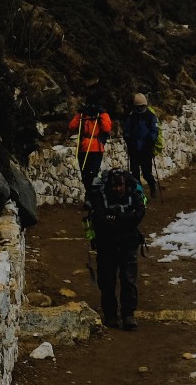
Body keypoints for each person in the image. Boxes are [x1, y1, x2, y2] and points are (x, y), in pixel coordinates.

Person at [84, 166, 145, 330]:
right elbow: (100, 219)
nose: (117, 189)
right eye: (114, 186)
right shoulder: (101, 197)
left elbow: (139, 213)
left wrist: (115, 219)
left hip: (127, 243)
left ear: (125, 185)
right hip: (107, 244)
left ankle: (128, 315)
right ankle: (110, 315)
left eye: (120, 186)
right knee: (107, 281)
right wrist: (124, 219)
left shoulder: (134, 195)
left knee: (128, 279)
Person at [122, 92, 162, 199]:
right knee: (135, 174)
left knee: (146, 173)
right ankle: (138, 193)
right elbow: (126, 129)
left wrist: (151, 139)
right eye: (138, 107)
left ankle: (152, 186)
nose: (140, 109)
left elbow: (154, 130)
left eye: (142, 106)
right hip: (134, 148)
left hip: (146, 149)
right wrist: (127, 137)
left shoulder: (150, 116)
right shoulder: (131, 117)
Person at [68, 100, 114, 188]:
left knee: (93, 174)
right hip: (84, 148)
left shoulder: (102, 115)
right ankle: (89, 195)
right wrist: (79, 114)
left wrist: (101, 115)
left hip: (96, 148)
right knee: (84, 174)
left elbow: (106, 128)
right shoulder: (83, 115)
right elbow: (72, 126)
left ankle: (92, 194)